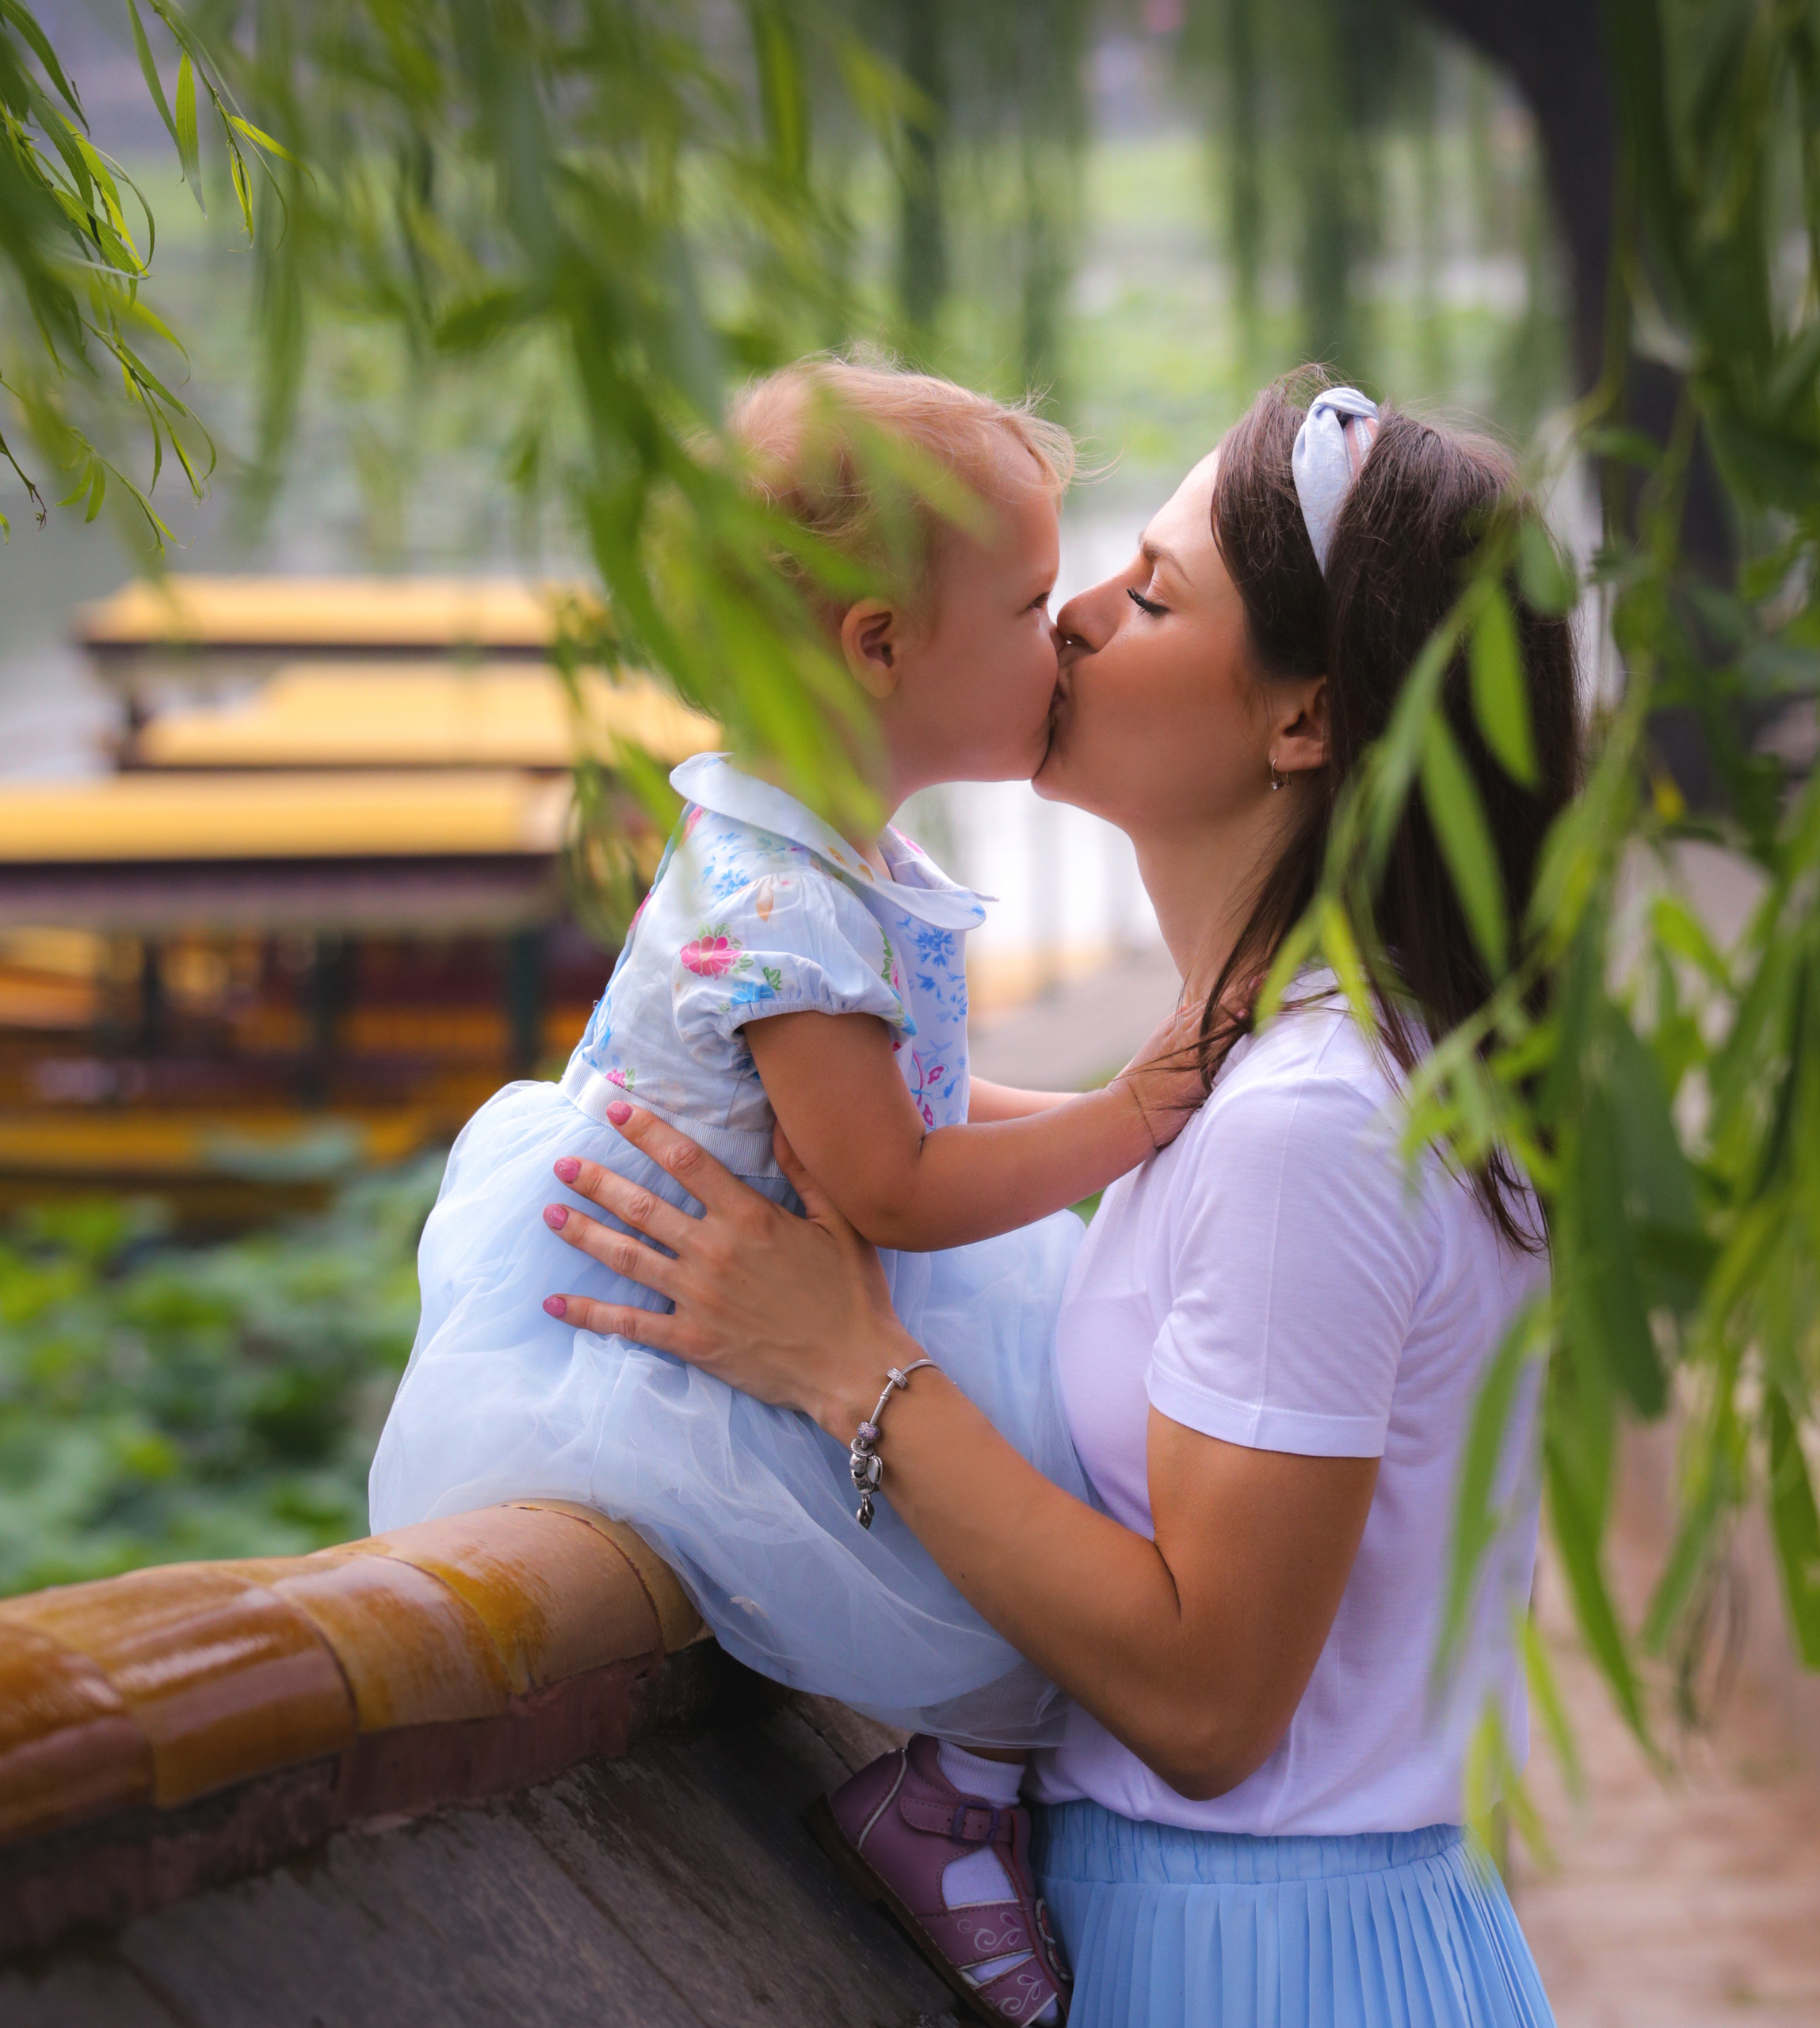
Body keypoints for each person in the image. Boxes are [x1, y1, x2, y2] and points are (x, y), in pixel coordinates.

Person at [540, 375, 1578, 2027]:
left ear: (1302, 719)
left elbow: (1205, 1696)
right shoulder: (1287, 1072)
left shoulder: (1304, 1122)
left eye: (1146, 592)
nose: (1079, 622)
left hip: (1264, 1964)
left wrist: (844, 1359)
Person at [369, 358, 1204, 2026]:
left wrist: (1131, 1117)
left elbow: (923, 1099)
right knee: (1027, 1557)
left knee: (1072, 1460)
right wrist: (1125, 1119)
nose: (1067, 637)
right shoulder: (783, 906)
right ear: (877, 645)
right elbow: (885, 1184)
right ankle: (947, 1810)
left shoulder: (831, 850)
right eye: (1033, 602)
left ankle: (965, 1798)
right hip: (699, 1328)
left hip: (781, 1260)